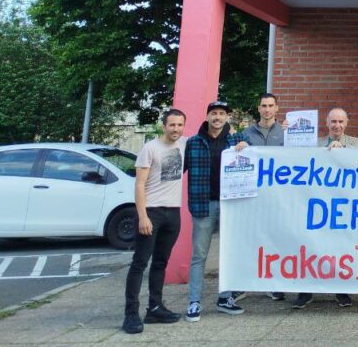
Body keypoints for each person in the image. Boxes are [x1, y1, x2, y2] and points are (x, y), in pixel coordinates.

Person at [122, 108, 187, 334]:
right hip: (151, 212)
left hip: (173, 212)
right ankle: (131, 314)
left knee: (161, 262)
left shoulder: (185, 144)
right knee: (140, 263)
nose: (176, 129)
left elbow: (214, 132)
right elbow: (139, 184)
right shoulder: (150, 148)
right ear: (164, 126)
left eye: (180, 125)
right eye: (172, 125)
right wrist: (142, 216)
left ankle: (155, 308)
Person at [185, 100, 247, 322]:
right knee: (199, 255)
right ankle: (194, 301)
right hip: (203, 204)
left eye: (222, 113)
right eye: (214, 113)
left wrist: (247, 148)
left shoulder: (238, 140)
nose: (218, 117)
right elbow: (176, 169)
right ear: (207, 116)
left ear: (227, 117)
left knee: (229, 253)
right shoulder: (193, 143)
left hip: (230, 205)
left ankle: (225, 298)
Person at [294, 107, 358, 309]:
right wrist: (289, 133)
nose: (337, 125)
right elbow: (293, 156)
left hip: (342, 205)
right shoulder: (315, 143)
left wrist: (343, 150)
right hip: (317, 204)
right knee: (311, 245)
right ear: (326, 123)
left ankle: (341, 290)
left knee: (340, 248)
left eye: (340, 121)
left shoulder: (355, 143)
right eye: (333, 121)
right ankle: (305, 291)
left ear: (346, 123)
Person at [235, 92, 288, 303]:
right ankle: (243, 283)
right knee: (249, 239)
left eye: (270, 105)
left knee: (275, 239)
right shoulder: (246, 133)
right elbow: (236, 158)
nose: (267, 109)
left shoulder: (285, 133)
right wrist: (239, 149)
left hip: (278, 196)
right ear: (259, 108)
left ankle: (273, 284)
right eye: (263, 106)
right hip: (252, 196)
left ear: (277, 108)